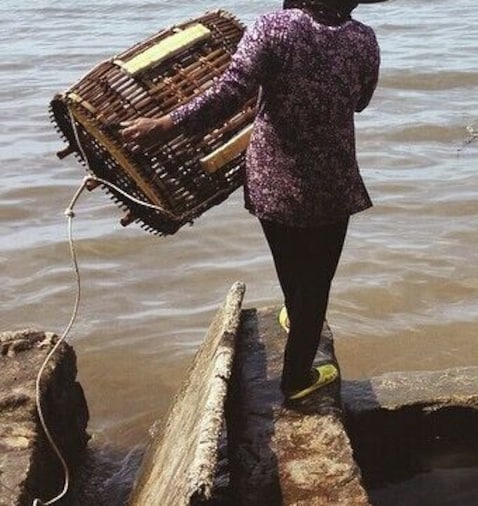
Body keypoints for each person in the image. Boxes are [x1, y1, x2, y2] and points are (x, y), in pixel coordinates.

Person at [121, 0, 385, 404]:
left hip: (272, 179)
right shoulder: (364, 40)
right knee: (316, 282)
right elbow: (359, 102)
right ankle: (297, 378)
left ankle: (297, 319)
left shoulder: (271, 28)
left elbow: (229, 93)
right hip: (331, 183)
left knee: (290, 264)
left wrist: (166, 124)